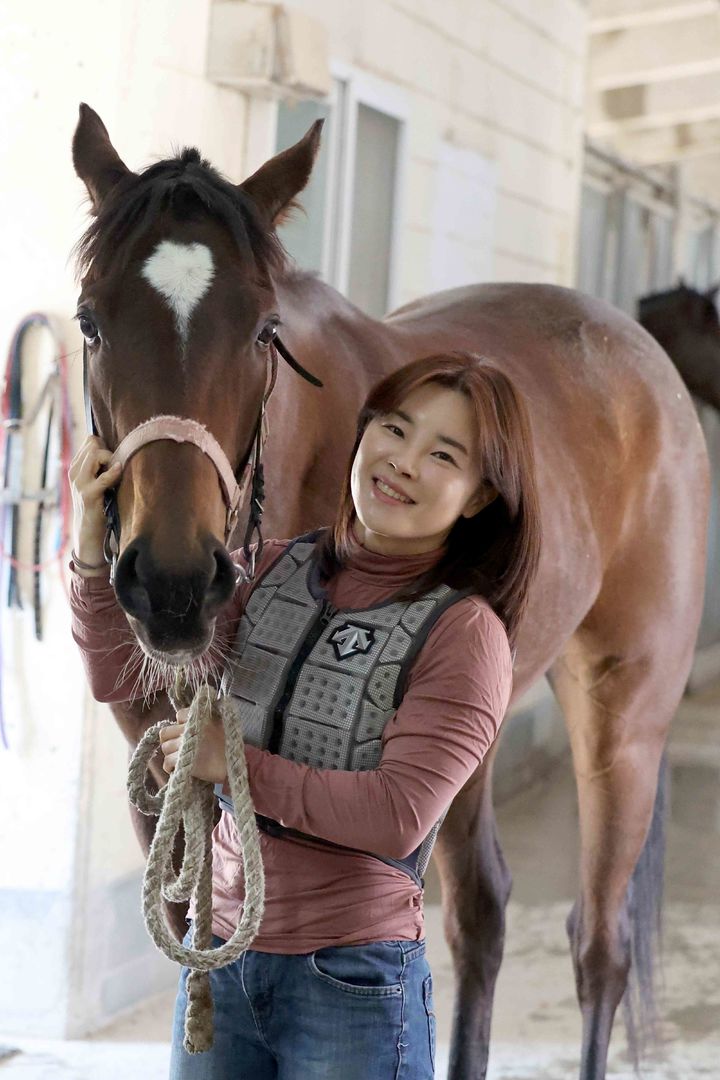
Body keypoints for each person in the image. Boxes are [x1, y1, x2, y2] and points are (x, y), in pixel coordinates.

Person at [69, 352, 541, 1080]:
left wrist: (231, 763)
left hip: (351, 981)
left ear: (479, 496)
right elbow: (124, 677)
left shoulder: (465, 634)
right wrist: (91, 551)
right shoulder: (265, 570)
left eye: (443, 454)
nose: (403, 462)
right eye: (395, 429)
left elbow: (397, 815)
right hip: (220, 963)